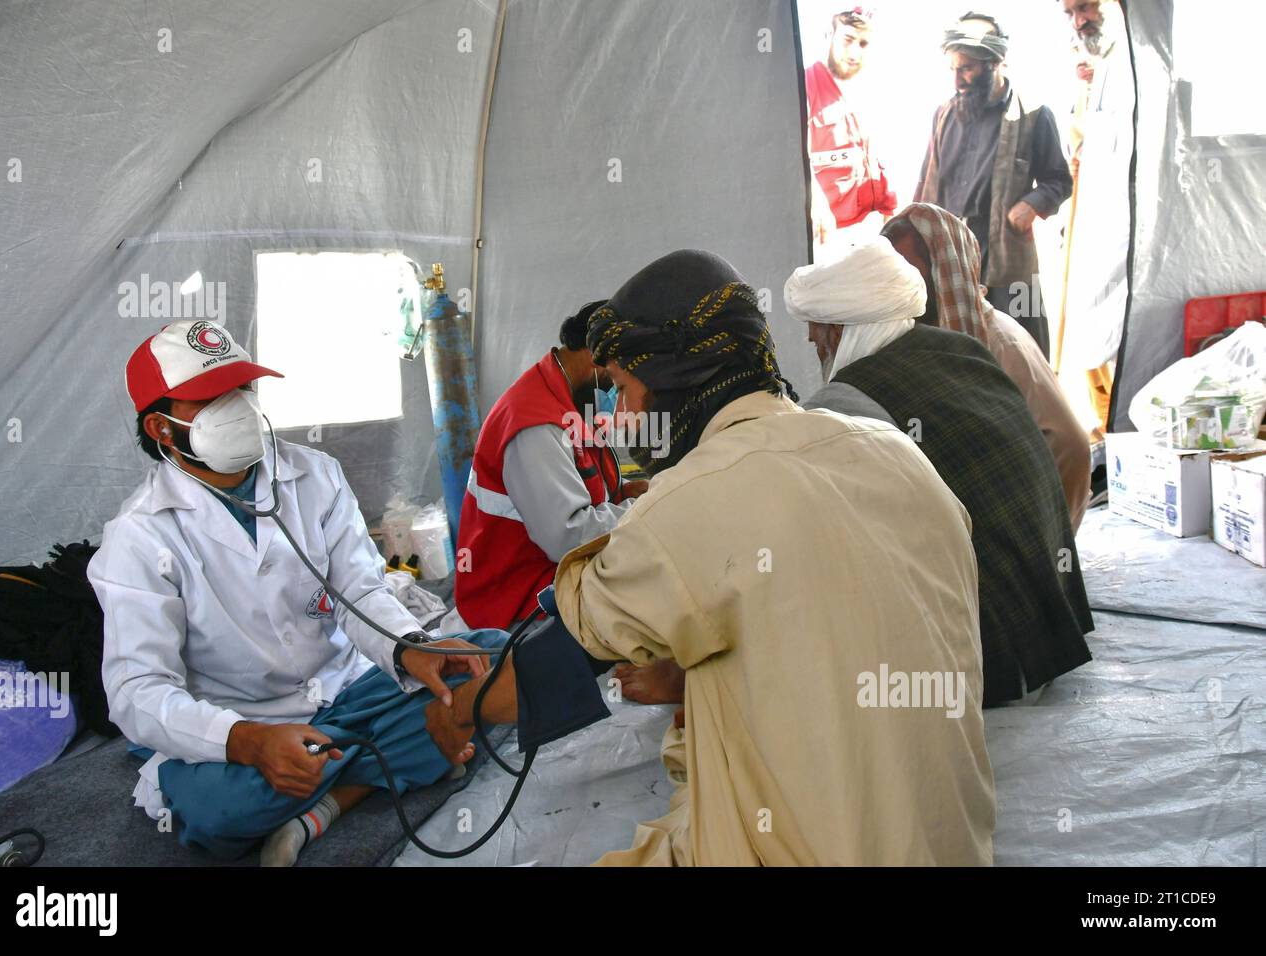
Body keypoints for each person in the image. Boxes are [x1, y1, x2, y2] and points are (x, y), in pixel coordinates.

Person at [426, 250, 996, 866]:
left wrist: (464, 713)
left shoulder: (693, 500)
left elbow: (562, 660)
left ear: (672, 377)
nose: (619, 418)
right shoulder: (900, 455)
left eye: (622, 388)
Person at [88, 320, 504, 865]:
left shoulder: (316, 475)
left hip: (342, 688)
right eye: (209, 399)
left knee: (484, 656)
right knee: (222, 813)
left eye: (241, 389)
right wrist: (247, 743)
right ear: (162, 428)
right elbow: (136, 690)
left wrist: (407, 645)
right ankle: (399, 752)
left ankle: (330, 797)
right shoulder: (139, 537)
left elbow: (359, 588)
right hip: (241, 717)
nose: (235, 407)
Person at [789, 237, 1093, 705]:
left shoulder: (845, 400)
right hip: (1047, 619)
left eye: (817, 327)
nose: (812, 340)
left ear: (843, 328)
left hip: (985, 654)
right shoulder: (961, 348)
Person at [882, 202, 1092, 529]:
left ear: (945, 274)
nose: (901, 289)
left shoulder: (1001, 345)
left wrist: (1046, 539)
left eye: (912, 274)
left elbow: (1071, 448)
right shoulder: (930, 338)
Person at [455, 301, 647, 630]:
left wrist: (630, 493)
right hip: (518, 603)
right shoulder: (535, 425)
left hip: (547, 574)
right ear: (594, 354)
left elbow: (586, 489)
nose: (619, 389)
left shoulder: (569, 400)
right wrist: (647, 510)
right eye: (619, 378)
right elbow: (568, 537)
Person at [915, 12, 1073, 355]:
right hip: (952, 251)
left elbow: (1059, 179)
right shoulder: (943, 114)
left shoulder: (1034, 114)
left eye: (967, 68)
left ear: (996, 63)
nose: (958, 79)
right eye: (954, 69)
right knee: (958, 347)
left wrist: (1032, 204)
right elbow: (926, 182)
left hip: (1007, 253)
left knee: (1024, 345)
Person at [1060, 0, 1135, 435]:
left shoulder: (1134, 59)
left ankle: (1121, 434)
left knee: (1121, 332)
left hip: (1129, 224)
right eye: (1069, 13)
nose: (1079, 20)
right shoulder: (1090, 69)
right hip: (1093, 220)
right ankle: (1109, 435)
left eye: (1085, 6)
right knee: (1090, 332)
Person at [805, 5, 896, 251]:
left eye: (863, 44)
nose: (855, 51)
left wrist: (892, 214)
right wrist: (815, 203)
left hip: (875, 228)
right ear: (829, 35)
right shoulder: (805, 86)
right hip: (830, 234)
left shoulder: (872, 91)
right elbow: (792, 157)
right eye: (848, 40)